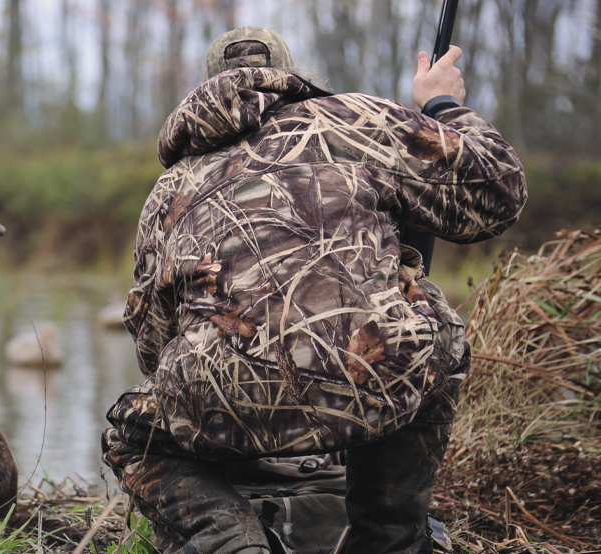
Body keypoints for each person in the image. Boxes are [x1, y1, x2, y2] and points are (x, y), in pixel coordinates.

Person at [101, 26, 526, 554]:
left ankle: (227, 538)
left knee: (130, 433)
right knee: (434, 329)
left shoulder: (168, 189)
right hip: (376, 373)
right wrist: (438, 105)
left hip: (216, 392)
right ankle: (386, 539)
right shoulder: (357, 121)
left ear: (209, 86)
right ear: (287, 76)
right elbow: (499, 189)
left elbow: (152, 343)